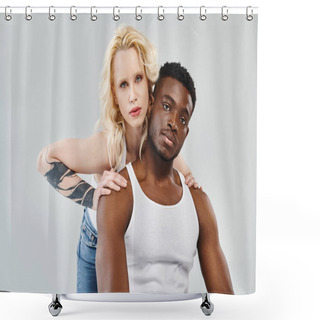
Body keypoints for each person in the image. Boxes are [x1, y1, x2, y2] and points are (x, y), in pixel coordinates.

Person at [36, 26, 197, 293]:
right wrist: (93, 197)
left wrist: (192, 186)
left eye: (137, 79)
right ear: (115, 95)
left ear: (150, 85)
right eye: (123, 85)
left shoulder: (157, 139)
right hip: (95, 240)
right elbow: (45, 159)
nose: (132, 95)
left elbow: (187, 179)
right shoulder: (108, 146)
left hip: (131, 240)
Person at [96, 62, 234, 295]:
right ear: (150, 106)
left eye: (183, 119)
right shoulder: (118, 193)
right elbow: (113, 309)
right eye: (167, 106)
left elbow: (227, 305)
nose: (173, 123)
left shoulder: (199, 203)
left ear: (186, 132)